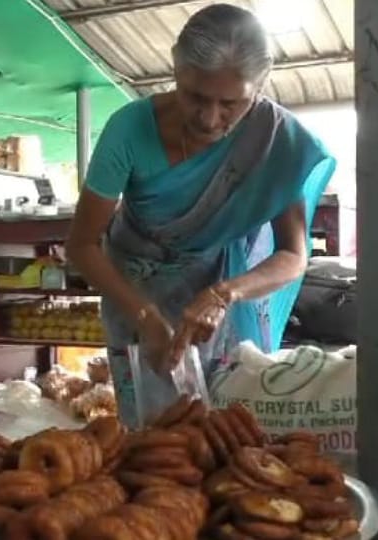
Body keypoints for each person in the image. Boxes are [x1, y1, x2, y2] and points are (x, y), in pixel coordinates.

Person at [66, 3, 336, 428]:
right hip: (131, 289)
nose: (211, 120)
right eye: (195, 96)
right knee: (149, 437)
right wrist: (144, 315)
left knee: (217, 430)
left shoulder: (273, 141)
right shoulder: (129, 130)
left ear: (261, 82)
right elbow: (82, 246)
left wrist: (222, 295)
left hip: (214, 293)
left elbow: (292, 255)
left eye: (232, 103)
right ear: (176, 66)